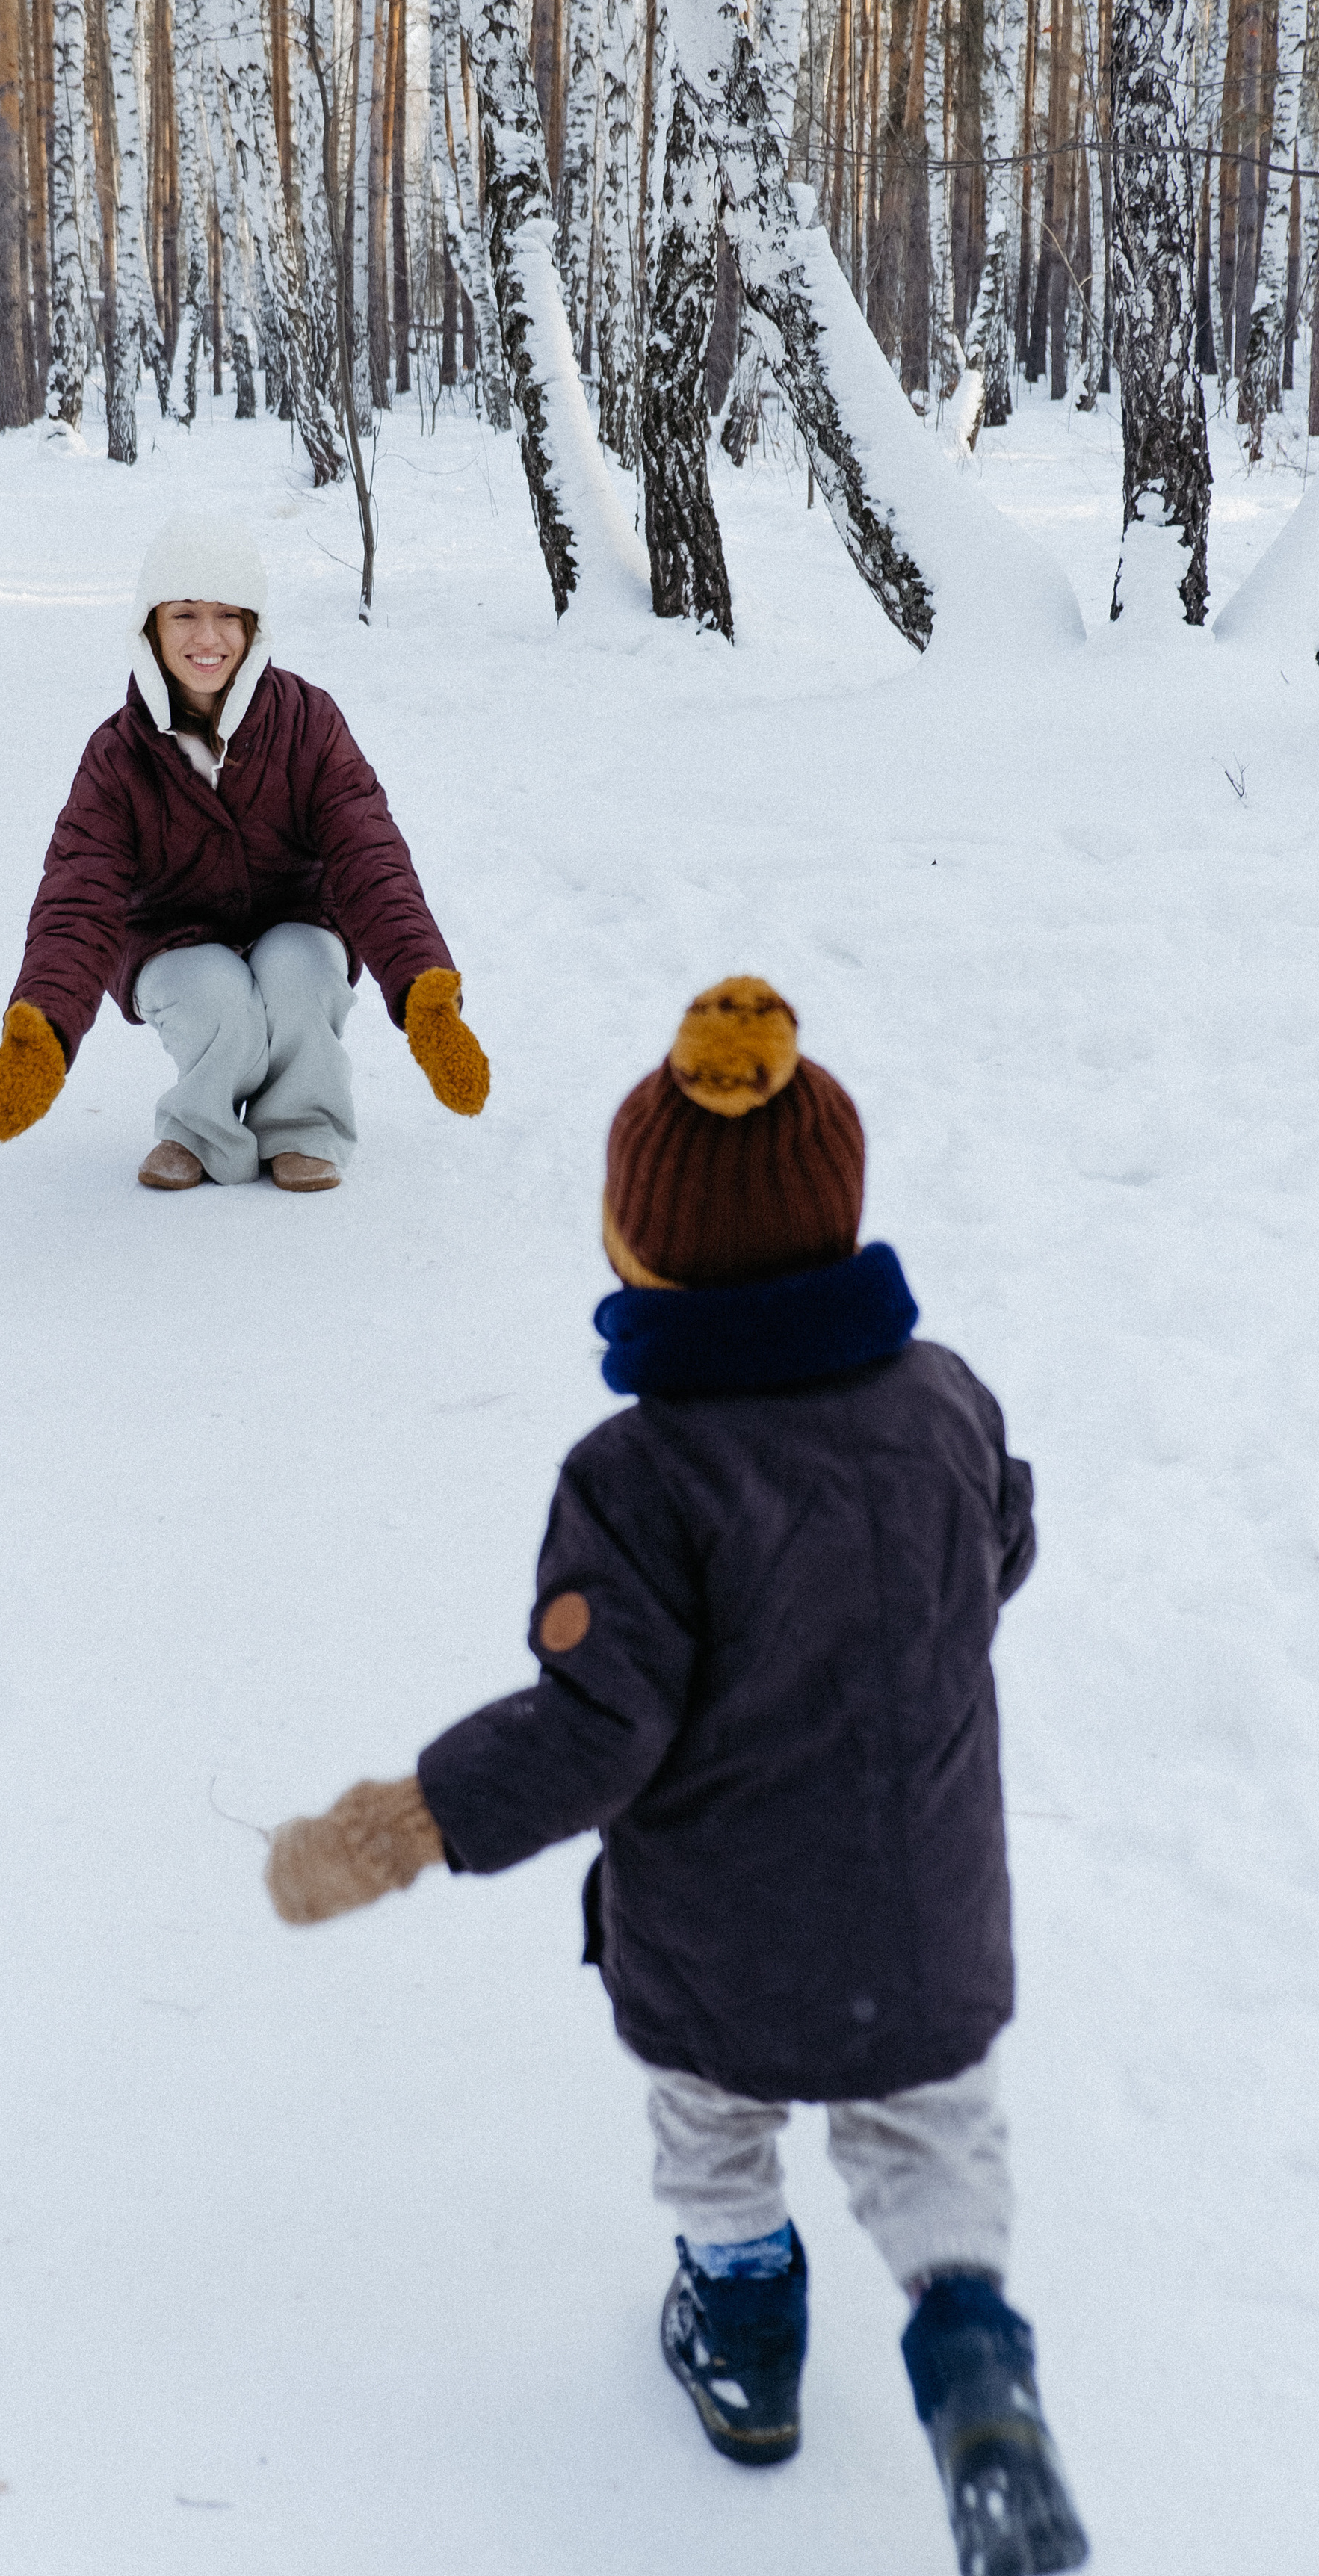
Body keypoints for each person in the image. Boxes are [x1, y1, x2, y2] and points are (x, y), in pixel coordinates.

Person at [263, 977, 1088, 2576]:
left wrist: (408, 1822)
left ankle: (743, 2346)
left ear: (635, 1250)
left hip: (721, 1932)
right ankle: (976, 2369)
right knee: (932, 2153)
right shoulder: (942, 1403)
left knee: (713, 2135)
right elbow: (1000, 1548)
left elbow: (598, 1727)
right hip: (923, 1918)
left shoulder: (636, 1477)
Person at [0, 510, 489, 1191]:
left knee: (302, 974)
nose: (207, 638)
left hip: (296, 919)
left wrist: (421, 987)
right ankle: (201, 1129)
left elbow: (371, 856)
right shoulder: (117, 756)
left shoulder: (309, 724)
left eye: (227, 616)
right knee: (217, 995)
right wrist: (46, 1029)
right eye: (184, 614)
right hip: (171, 940)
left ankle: (303, 1126)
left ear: (253, 628)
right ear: (151, 626)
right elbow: (78, 897)